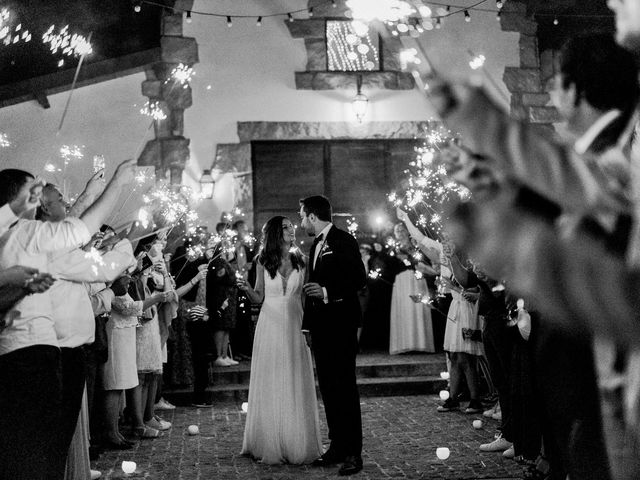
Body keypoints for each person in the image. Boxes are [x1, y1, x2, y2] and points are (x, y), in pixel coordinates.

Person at [0, 160, 135, 480]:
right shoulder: (22, 232)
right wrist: (117, 183)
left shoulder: (12, 233)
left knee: (29, 450)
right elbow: (79, 231)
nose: (40, 197)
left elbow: (70, 227)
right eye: (33, 191)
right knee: (43, 451)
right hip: (34, 351)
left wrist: (91, 193)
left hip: (25, 350)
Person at [238, 216, 322, 464]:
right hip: (270, 324)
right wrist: (245, 288)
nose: (292, 229)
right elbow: (258, 297)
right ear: (276, 232)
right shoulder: (263, 261)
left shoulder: (302, 261)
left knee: (295, 376)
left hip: (296, 322)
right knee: (273, 376)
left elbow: (306, 300)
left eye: (292, 226)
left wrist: (311, 328)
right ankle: (269, 439)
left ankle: (296, 437)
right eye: (286, 227)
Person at [299, 195, 366, 476]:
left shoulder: (343, 240)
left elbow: (358, 280)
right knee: (328, 388)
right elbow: (311, 286)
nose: (301, 222)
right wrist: (308, 326)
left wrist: (326, 292)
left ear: (313, 216)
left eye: (303, 216)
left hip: (341, 324)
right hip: (322, 328)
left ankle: (353, 453)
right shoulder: (315, 244)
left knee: (345, 388)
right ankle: (337, 445)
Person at [388, 221, 436, 354]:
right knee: (404, 309)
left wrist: (410, 259)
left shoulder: (416, 247)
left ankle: (420, 343)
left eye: (402, 230)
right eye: (397, 231)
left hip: (417, 279)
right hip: (401, 281)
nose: (400, 233)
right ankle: (405, 344)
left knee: (418, 307)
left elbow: (424, 262)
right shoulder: (392, 249)